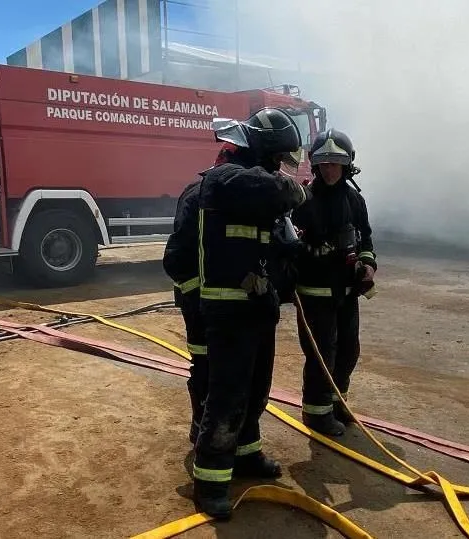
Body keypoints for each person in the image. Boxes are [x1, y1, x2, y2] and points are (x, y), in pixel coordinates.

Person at [191, 108, 312, 519]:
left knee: (257, 388)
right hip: (229, 312)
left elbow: (272, 243)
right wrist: (291, 189)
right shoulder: (225, 180)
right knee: (227, 397)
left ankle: (246, 455)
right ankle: (210, 483)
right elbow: (285, 192)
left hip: (258, 308)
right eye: (278, 157)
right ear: (261, 149)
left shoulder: (256, 190)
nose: (281, 166)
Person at [291, 128, 376, 437]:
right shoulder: (303, 199)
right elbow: (288, 245)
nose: (329, 169)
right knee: (321, 354)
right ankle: (316, 413)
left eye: (335, 163)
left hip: (346, 292)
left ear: (346, 164)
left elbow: (365, 238)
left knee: (348, 351)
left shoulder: (355, 199)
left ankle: (337, 401)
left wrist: (367, 264)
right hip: (314, 294)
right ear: (315, 165)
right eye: (324, 163)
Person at [162, 142, 242, 445]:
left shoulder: (225, 195)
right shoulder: (199, 194)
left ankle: (207, 430)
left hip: (214, 302)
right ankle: (200, 429)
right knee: (205, 365)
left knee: (214, 367)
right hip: (197, 303)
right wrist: (199, 297)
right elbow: (176, 259)